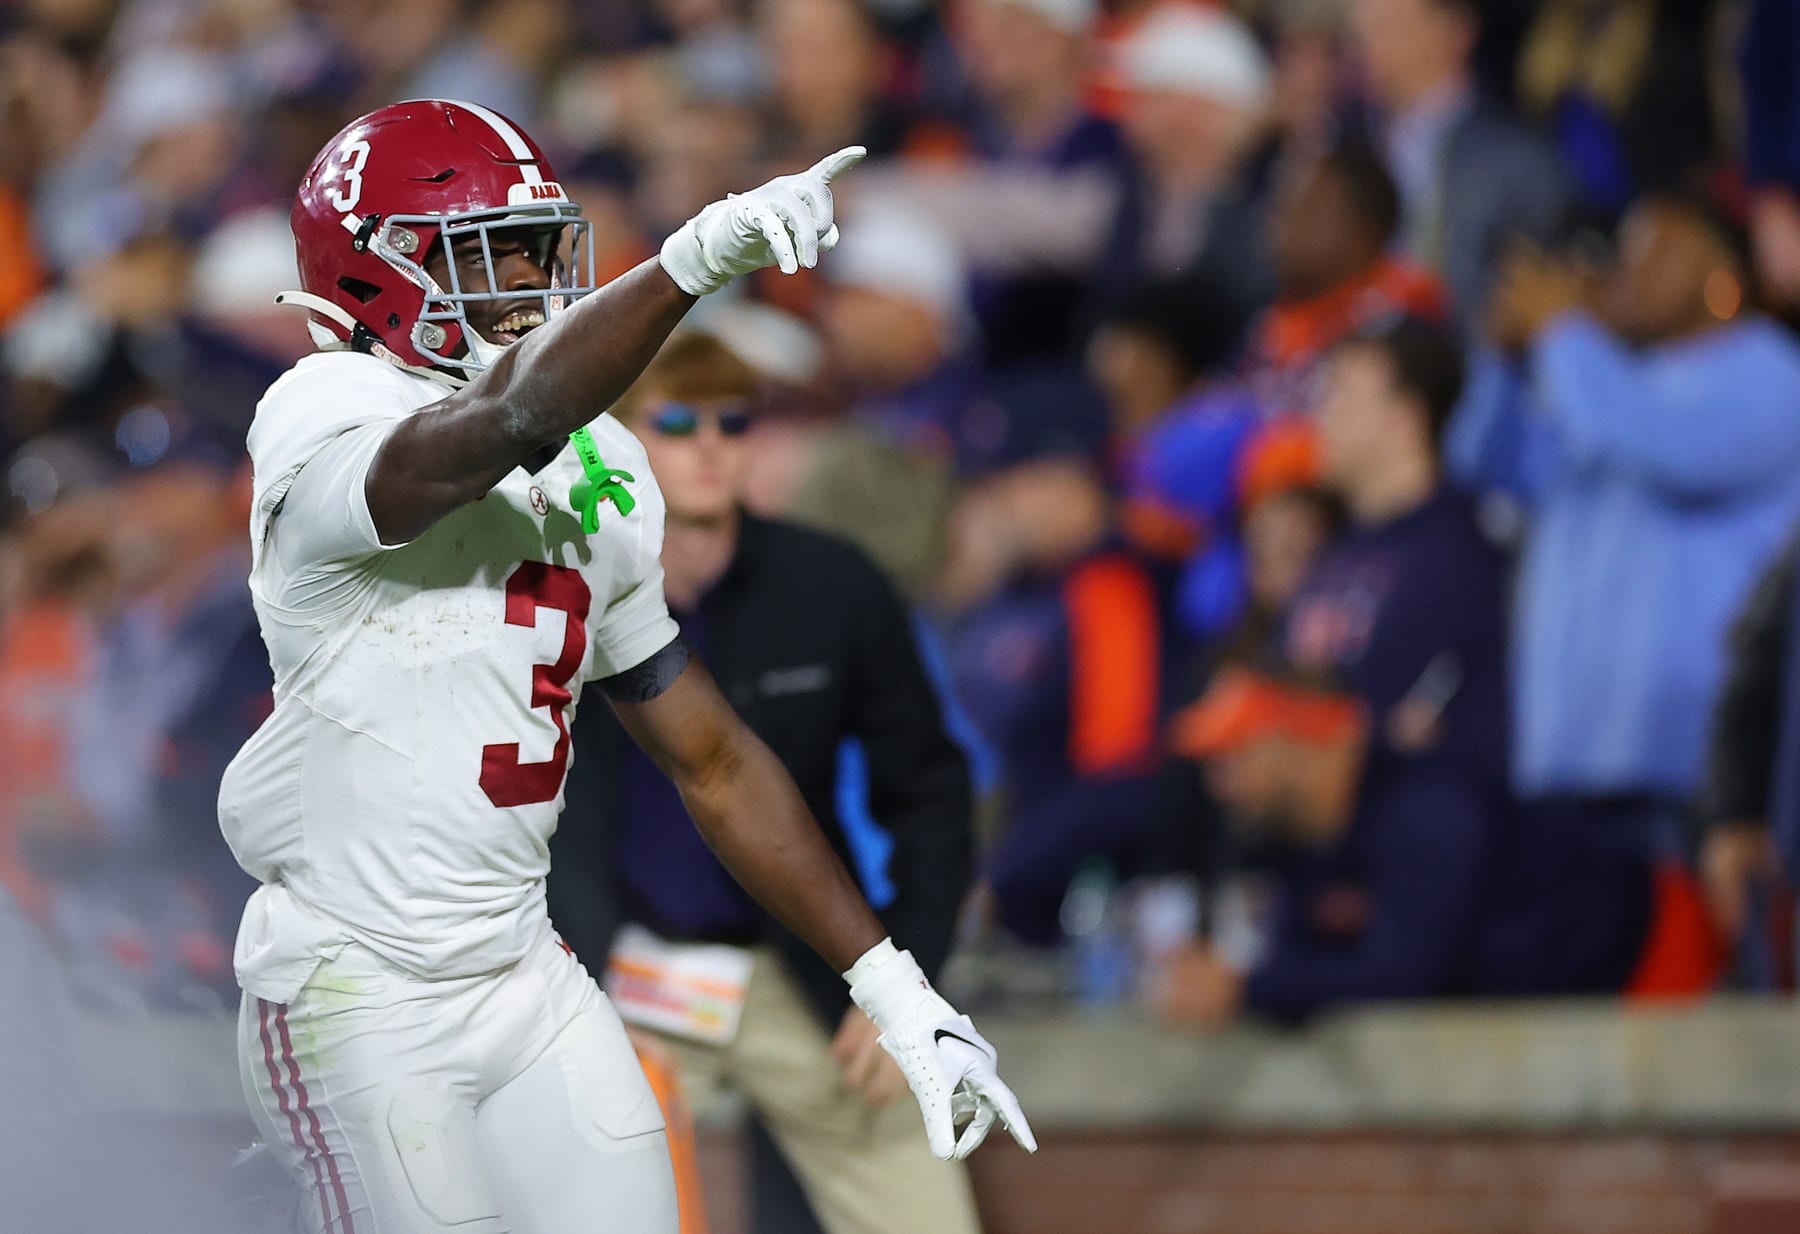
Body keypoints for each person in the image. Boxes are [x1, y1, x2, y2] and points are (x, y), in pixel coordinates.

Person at [217, 99, 1032, 1234]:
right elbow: (497, 419)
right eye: (484, 253)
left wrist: (891, 985)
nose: (525, 282)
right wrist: (688, 265)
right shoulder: (327, 410)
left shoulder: (601, 460)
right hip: (358, 986)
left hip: (521, 969)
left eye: (530, 247)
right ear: (378, 272)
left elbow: (710, 755)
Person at [551, 330, 981, 1234]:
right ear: (618, 438)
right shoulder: (564, 589)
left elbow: (931, 792)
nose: (711, 442)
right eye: (676, 420)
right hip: (624, 973)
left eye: (733, 420)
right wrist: (575, 986)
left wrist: (910, 980)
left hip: (802, 972)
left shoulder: (832, 584)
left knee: (929, 1210)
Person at [1449, 194, 1800, 889]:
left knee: (1696, 997)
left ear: (1723, 277)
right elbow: (1478, 468)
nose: (1628, 269)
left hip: (1691, 776)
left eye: (1657, 248)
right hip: (1565, 770)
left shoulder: (1773, 372)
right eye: (1624, 250)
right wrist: (1506, 360)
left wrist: (1562, 335)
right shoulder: (1591, 376)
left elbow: (1669, 448)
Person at [1152, 663, 1498, 1026]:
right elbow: (1295, 963)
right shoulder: (1301, 848)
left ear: (1305, 740)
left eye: (1238, 753)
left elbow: (1407, 979)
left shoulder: (1428, 812)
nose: (1220, 786)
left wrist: (1245, 990)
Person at [1285, 316, 1508, 792]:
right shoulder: (1336, 551)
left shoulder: (1457, 559)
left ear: (1405, 417)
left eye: (1341, 397)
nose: (1321, 418)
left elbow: (1416, 732)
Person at [1348, 0, 1571, 324]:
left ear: (1455, 32)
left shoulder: (1519, 159)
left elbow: (1536, 296)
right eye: (1364, 26)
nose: (1367, 41)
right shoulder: (1344, 143)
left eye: (1390, 23)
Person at [1246, 142, 1448, 418]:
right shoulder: (1274, 315)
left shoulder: (1402, 318)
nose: (1286, 226)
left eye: (1310, 211)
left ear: (1365, 232)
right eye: (1283, 208)